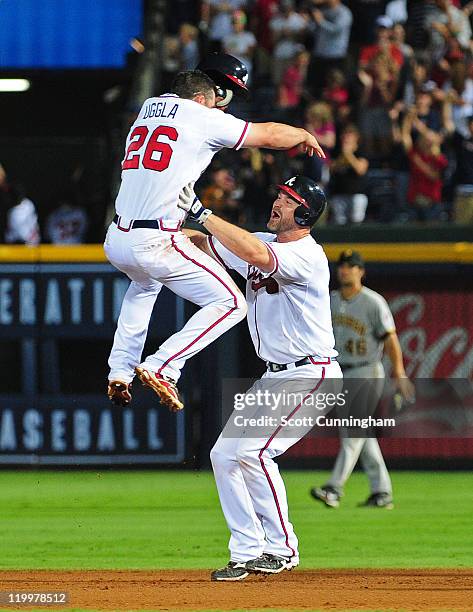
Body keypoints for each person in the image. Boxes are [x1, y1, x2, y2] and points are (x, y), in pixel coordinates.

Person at [106, 59, 326, 412]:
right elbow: (268, 135)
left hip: (117, 237)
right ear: (207, 96)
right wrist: (302, 134)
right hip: (157, 237)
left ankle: (119, 369)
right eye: (222, 97)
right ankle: (163, 365)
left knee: (143, 287)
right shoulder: (202, 115)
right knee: (230, 304)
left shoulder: (149, 108)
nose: (225, 103)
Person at [178, 176, 341, 581]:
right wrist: (160, 231)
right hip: (275, 376)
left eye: (287, 199)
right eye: (280, 196)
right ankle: (247, 550)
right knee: (223, 456)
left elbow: (252, 252)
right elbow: (207, 244)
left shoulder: (308, 255)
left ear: (304, 213)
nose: (277, 202)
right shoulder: (257, 240)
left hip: (311, 373)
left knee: (253, 452)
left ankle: (282, 549)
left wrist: (202, 213)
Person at [310, 250, 414, 509]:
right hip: (338, 372)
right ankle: (382, 492)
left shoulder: (373, 301)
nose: (345, 270)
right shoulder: (330, 300)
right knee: (361, 434)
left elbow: (390, 338)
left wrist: (399, 372)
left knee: (353, 431)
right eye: (342, 266)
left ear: (361, 271)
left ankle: (333, 488)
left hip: (366, 370)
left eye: (351, 266)